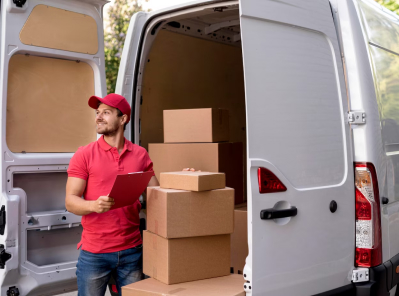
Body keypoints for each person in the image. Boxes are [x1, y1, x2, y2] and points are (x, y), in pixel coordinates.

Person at [65, 93, 159, 296]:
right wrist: (93, 206)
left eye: (106, 113)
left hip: (132, 251)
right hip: (94, 254)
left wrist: (183, 179)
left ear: (123, 118)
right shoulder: (84, 154)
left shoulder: (140, 154)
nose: (98, 117)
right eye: (97, 113)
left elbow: (157, 195)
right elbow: (70, 202)